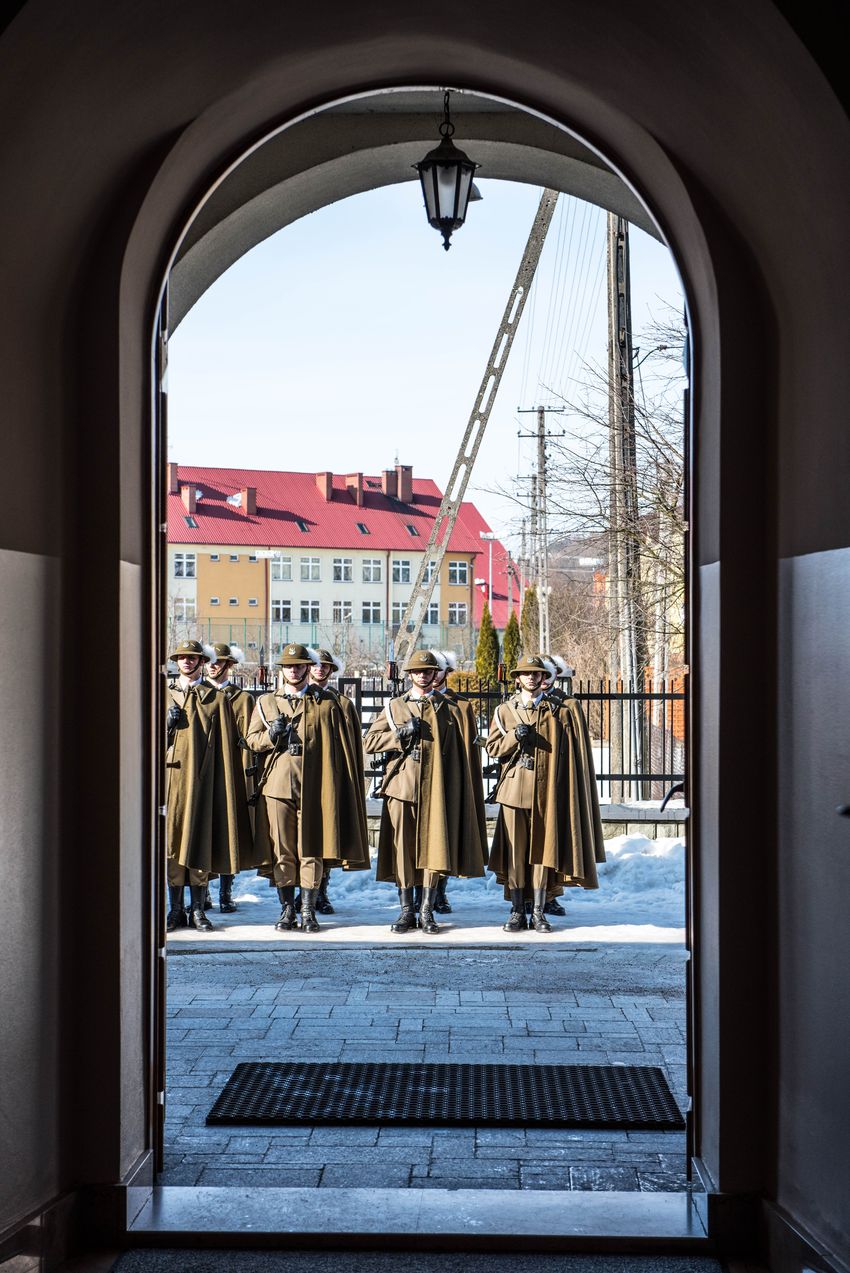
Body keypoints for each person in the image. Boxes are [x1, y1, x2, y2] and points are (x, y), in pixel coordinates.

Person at [245, 642, 369, 934]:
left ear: (306, 668)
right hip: (277, 786)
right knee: (283, 850)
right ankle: (287, 908)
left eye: (299, 665)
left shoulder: (325, 703)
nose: (294, 670)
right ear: (283, 670)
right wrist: (271, 736)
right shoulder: (266, 703)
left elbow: (339, 747)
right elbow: (252, 740)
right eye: (289, 666)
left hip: (316, 786)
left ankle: (308, 910)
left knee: (311, 849)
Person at [364, 648, 486, 935]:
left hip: (436, 790)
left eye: (428, 671)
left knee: (433, 850)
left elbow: (460, 754)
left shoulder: (448, 708)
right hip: (403, 788)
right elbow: (370, 741)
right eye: (417, 671)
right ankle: (407, 910)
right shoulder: (395, 707)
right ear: (409, 675)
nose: (422, 675)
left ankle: (426, 910)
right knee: (404, 850)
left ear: (436, 674)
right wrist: (399, 734)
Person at [485, 653, 606, 934]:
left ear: (544, 678)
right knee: (515, 854)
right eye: (525, 674)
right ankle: (517, 910)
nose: (531, 678)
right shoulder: (505, 710)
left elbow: (569, 756)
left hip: (546, 791)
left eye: (536, 674)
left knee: (542, 851)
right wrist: (514, 737)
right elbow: (493, 748)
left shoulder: (558, 711)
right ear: (517, 679)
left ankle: (539, 911)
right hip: (514, 790)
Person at [165, 639, 255, 933]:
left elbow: (225, 748)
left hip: (202, 782)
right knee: (173, 846)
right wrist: (164, 726)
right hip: (172, 781)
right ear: (177, 661)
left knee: (199, 840)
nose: (188, 663)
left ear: (201, 662)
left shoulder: (215, 698)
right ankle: (175, 909)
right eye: (183, 658)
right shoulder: (163, 696)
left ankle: (197, 910)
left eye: (193, 658)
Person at [301, 646, 365, 915]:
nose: (320, 669)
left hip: (331, 775)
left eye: (324, 666)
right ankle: (302, 895)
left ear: (330, 670)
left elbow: (351, 745)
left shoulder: (341, 703)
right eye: (315, 665)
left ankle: (321, 892)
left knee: (327, 836)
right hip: (302, 775)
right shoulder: (299, 698)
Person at [429, 648, 489, 914]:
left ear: (446, 672)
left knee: (448, 834)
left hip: (452, 778)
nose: (433, 675)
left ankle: (440, 892)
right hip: (424, 778)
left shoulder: (460, 705)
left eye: (439, 669)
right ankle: (422, 896)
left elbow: (469, 747)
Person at [204, 642, 254, 913]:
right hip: (206, 771)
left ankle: (226, 891)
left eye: (219, 661)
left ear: (228, 666)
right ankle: (206, 892)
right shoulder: (201, 694)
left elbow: (247, 737)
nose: (213, 666)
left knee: (229, 831)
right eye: (210, 661)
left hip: (232, 771)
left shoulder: (241, 698)